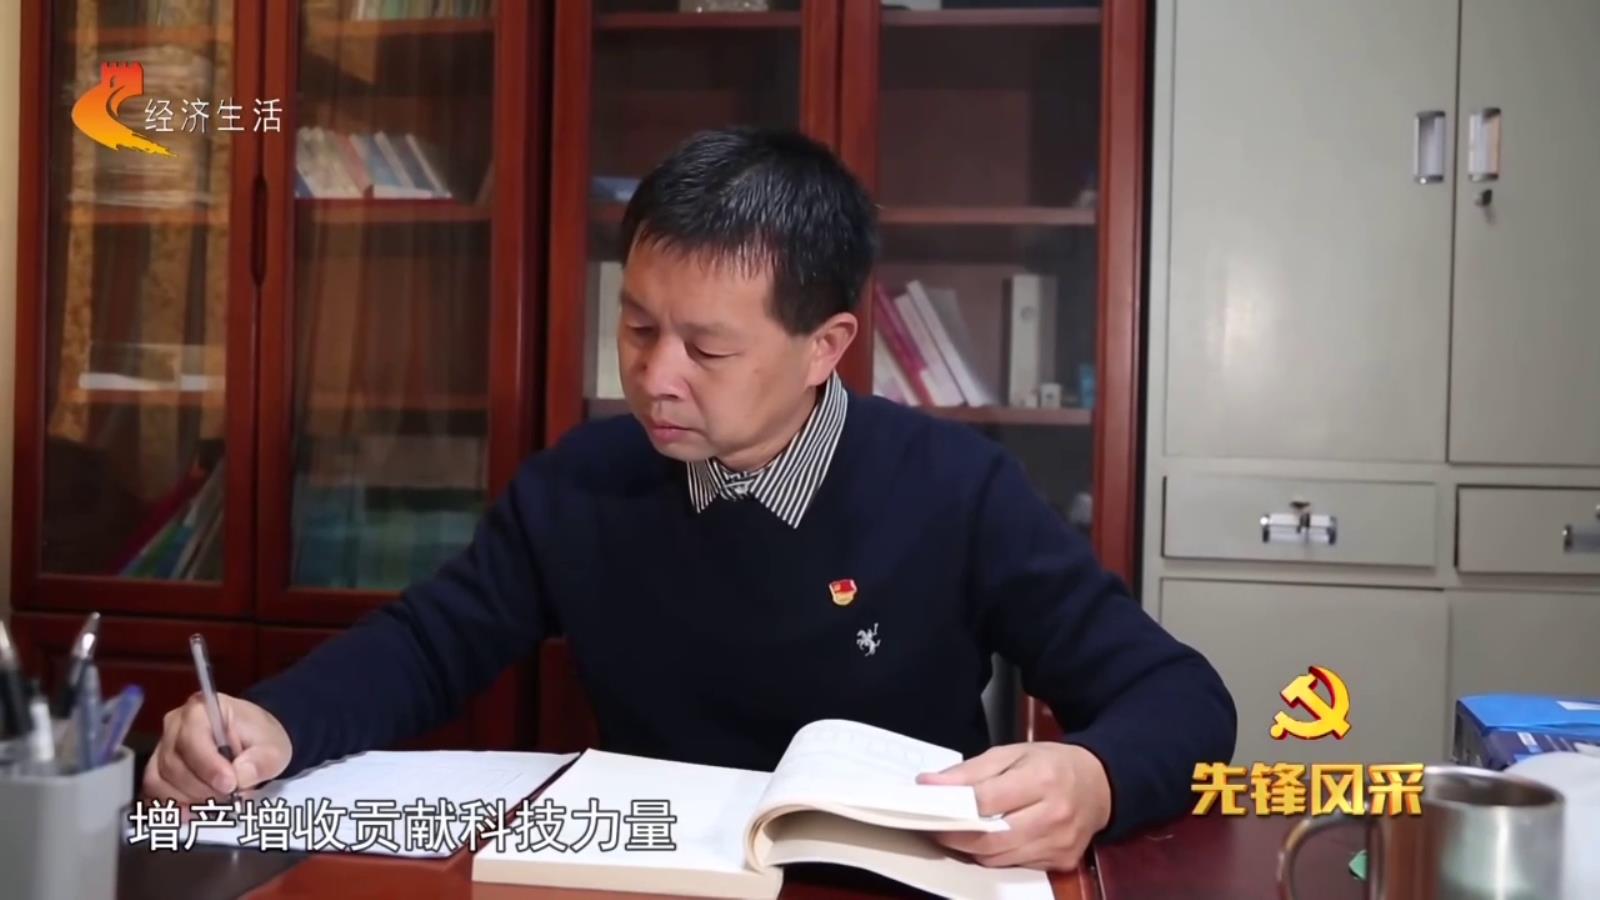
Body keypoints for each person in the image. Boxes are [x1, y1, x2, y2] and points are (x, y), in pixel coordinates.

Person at [143, 126, 1236, 871]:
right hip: (651, 881)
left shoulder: (955, 489)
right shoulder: (583, 483)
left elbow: (1180, 698)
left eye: (706, 348)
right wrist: (275, 722)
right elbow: (430, 646)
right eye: (637, 327)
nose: (655, 377)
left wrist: (1096, 777)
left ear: (825, 346)